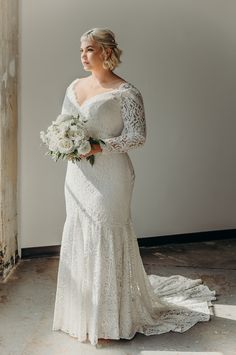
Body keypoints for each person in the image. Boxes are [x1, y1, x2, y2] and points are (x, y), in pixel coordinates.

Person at [52, 27, 216, 347]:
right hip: (78, 175)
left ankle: (112, 318)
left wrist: (96, 148)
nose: (83, 56)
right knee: (81, 233)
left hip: (111, 175)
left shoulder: (127, 92)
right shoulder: (74, 86)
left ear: (106, 52)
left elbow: (137, 136)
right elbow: (63, 124)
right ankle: (83, 315)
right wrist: (65, 142)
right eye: (81, 50)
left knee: (107, 235)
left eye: (89, 50)